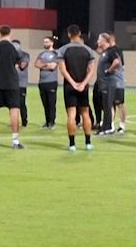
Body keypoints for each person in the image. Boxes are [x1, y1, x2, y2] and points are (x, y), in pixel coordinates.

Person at [56, 24, 97, 152]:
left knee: (71, 114)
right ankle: (88, 143)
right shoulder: (88, 50)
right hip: (83, 87)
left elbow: (62, 69)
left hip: (69, 86)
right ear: (79, 33)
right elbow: (91, 70)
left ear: (69, 34)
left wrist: (73, 83)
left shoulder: (62, 50)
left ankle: (72, 144)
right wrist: (83, 83)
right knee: (85, 113)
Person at [0, 25, 26, 149]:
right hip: (12, 83)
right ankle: (15, 141)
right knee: (14, 112)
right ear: (10, 32)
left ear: (0, 32)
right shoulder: (15, 47)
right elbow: (20, 64)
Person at [95, 33, 121, 135]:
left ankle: (107, 128)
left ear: (104, 41)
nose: (98, 41)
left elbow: (117, 62)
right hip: (103, 83)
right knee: (105, 105)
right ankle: (106, 127)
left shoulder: (111, 51)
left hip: (108, 83)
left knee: (107, 105)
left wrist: (109, 70)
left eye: (99, 39)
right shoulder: (104, 52)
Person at [34, 36, 59, 129]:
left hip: (51, 81)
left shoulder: (56, 54)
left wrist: (43, 64)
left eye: (47, 42)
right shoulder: (41, 54)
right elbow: (36, 64)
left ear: (52, 43)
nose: (45, 44)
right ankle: (47, 121)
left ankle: (52, 122)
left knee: (51, 103)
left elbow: (53, 66)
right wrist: (47, 64)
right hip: (42, 82)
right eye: (44, 42)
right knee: (45, 103)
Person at [12, 39, 31, 128]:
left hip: (21, 84)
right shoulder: (9, 55)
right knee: (12, 104)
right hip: (11, 83)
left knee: (21, 103)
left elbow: (22, 65)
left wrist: (16, 63)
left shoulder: (25, 55)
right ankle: (14, 121)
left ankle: (24, 122)